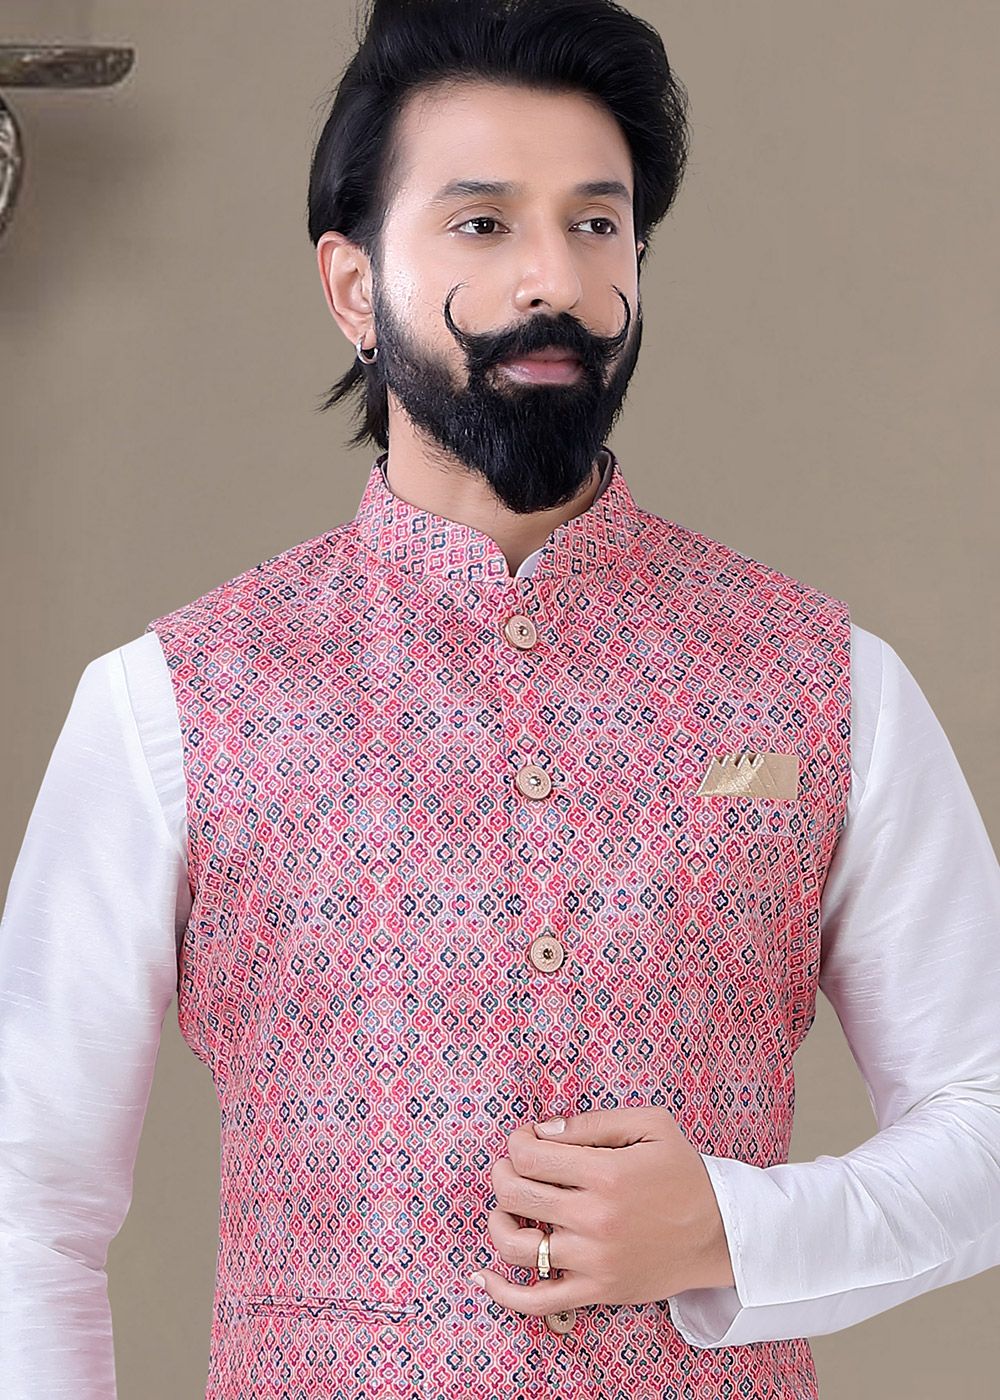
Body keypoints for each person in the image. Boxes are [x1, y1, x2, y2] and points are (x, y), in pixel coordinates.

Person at [2, 1, 999, 1396]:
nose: (554, 279)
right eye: (483, 223)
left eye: (597, 224)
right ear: (355, 288)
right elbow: (28, 1209)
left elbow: (985, 1118)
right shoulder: (174, 703)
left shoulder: (823, 682)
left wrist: (732, 1230)